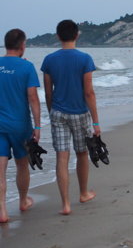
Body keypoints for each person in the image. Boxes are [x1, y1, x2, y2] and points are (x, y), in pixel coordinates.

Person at [41, 20, 100, 215]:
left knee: (62, 157)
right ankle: (83, 193)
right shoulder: (85, 59)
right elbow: (89, 92)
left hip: (58, 112)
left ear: (58, 36)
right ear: (77, 35)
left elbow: (48, 93)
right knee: (82, 153)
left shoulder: (49, 60)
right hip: (80, 113)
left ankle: (65, 204)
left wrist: (52, 112)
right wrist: (96, 121)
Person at [0, 29, 41, 223]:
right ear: (22, 46)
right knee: (21, 165)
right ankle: (23, 200)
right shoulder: (27, 67)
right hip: (20, 125)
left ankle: (2, 211)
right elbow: (33, 98)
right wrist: (38, 126)